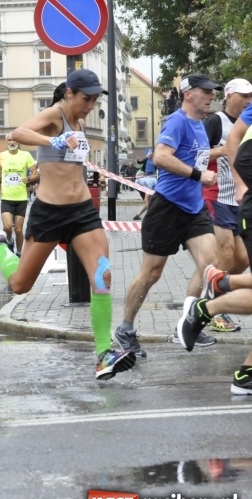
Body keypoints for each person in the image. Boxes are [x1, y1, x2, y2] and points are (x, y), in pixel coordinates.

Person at [0, 70, 131, 380]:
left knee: (102, 275)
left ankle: (103, 353)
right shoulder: (54, 116)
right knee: (20, 285)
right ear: (70, 93)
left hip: (82, 212)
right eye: (87, 99)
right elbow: (17, 133)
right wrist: (53, 139)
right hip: (49, 212)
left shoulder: (82, 123)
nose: (91, 105)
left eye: (95, 100)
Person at [115, 73, 220, 356]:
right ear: (188, 94)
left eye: (212, 91)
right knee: (152, 273)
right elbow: (160, 156)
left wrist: (222, 152)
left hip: (194, 208)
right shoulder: (177, 121)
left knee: (209, 266)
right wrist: (199, 174)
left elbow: (196, 156)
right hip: (167, 207)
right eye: (206, 91)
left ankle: (188, 323)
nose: (211, 95)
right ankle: (125, 328)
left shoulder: (199, 124)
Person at [177, 112, 252, 393]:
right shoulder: (213, 122)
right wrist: (242, 185)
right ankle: (207, 305)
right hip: (224, 203)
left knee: (241, 260)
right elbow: (236, 142)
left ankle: (220, 284)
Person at [198, 78, 252, 332]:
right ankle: (212, 310)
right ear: (229, 96)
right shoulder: (215, 121)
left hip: (238, 200)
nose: (248, 100)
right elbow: (195, 154)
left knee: (241, 259)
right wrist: (222, 151)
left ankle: (211, 290)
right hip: (216, 195)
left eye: (251, 95)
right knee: (227, 252)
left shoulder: (247, 122)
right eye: (243, 95)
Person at [0, 136, 37, 256]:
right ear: (7, 141)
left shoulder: (25, 155)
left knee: (19, 230)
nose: (12, 142)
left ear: (18, 141)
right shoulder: (1, 156)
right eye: (10, 140)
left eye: (14, 140)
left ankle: (19, 253)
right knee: (8, 226)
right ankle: (9, 241)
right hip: (6, 197)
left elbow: (36, 174)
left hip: (21, 198)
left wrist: (30, 178)